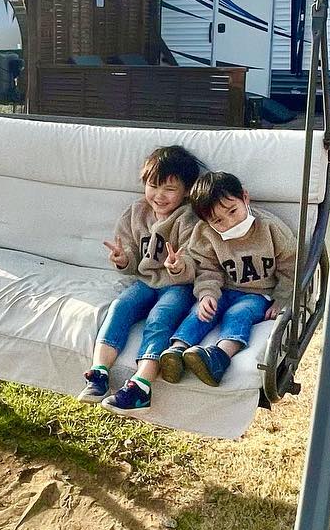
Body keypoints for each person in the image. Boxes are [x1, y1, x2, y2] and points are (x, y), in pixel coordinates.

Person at [79, 144, 203, 413]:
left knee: (160, 318)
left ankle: (141, 385)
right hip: (145, 281)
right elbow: (132, 256)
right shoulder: (136, 212)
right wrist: (123, 260)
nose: (159, 195)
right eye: (153, 186)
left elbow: (198, 262)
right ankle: (99, 372)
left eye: (169, 189)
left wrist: (178, 265)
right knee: (120, 307)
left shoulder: (190, 219)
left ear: (186, 191)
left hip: (178, 286)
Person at [157, 170, 296, 387]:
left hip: (258, 294)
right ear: (206, 222)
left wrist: (282, 298)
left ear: (245, 198)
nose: (230, 222)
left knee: (238, 313)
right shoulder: (205, 234)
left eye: (233, 211)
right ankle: (177, 350)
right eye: (218, 220)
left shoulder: (271, 228)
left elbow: (291, 266)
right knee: (201, 311)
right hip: (223, 289)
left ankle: (219, 357)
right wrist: (207, 294)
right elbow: (207, 269)